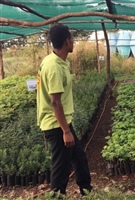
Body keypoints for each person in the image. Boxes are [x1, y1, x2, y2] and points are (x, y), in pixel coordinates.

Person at [37, 24, 92, 196]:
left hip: (62, 122)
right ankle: (56, 196)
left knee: (80, 159)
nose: (73, 42)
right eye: (72, 39)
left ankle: (87, 192)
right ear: (67, 41)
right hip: (57, 125)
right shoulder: (53, 67)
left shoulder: (55, 61)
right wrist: (66, 131)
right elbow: (55, 103)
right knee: (61, 169)